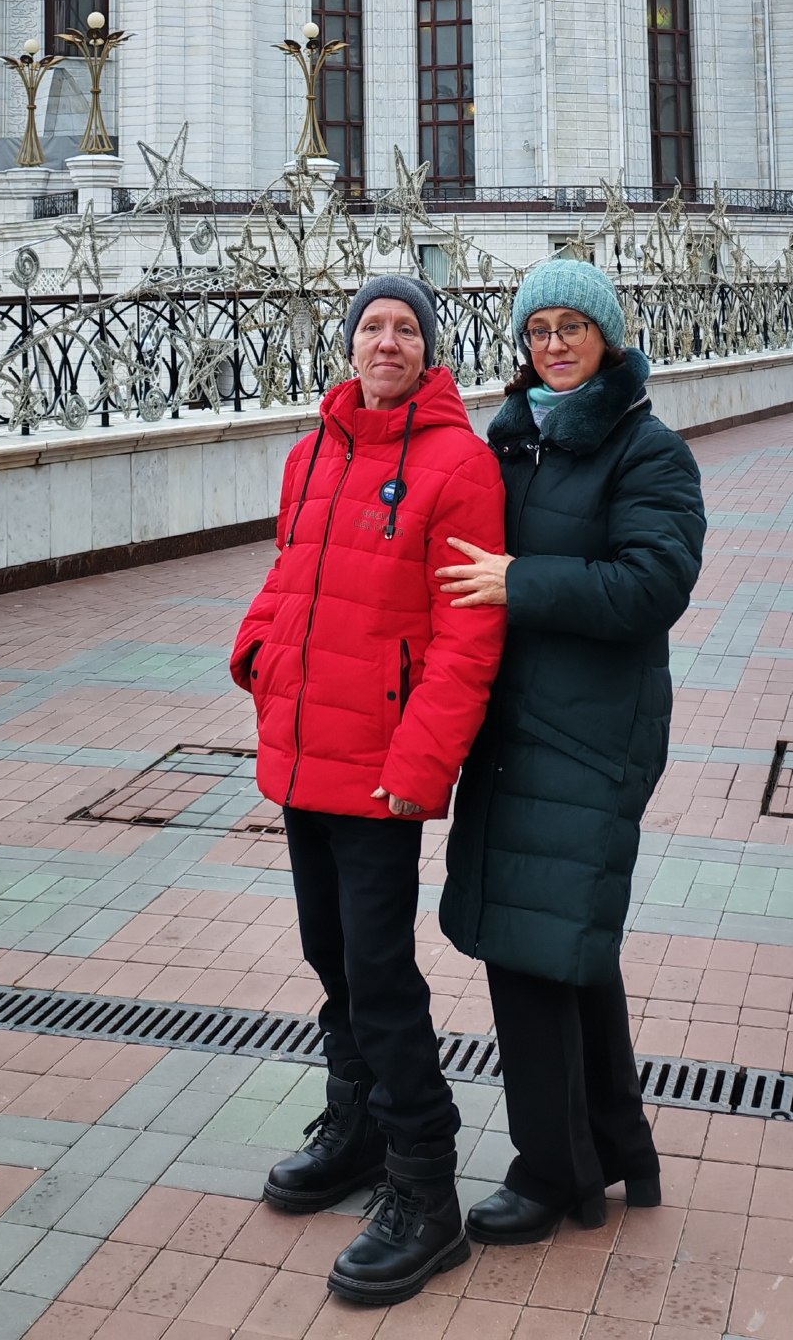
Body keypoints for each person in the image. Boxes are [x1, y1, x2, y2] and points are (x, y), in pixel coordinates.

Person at [232, 273, 507, 1306]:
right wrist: (256, 654)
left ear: (429, 350)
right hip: (305, 748)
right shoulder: (315, 451)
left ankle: (425, 1188)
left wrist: (419, 765)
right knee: (328, 955)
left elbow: (469, 637)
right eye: (371, 326)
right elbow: (288, 572)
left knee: (383, 977)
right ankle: (353, 1131)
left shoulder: (458, 465)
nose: (385, 342)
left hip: (381, 771)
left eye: (405, 328)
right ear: (349, 344)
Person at [436, 259, 705, 1242]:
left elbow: (650, 586)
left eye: (571, 327)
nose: (552, 342)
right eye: (537, 327)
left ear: (607, 336)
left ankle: (551, 1174)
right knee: (569, 948)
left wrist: (521, 581)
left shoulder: (647, 449)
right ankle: (617, 1148)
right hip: (517, 729)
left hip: (592, 736)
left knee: (531, 953)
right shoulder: (515, 445)